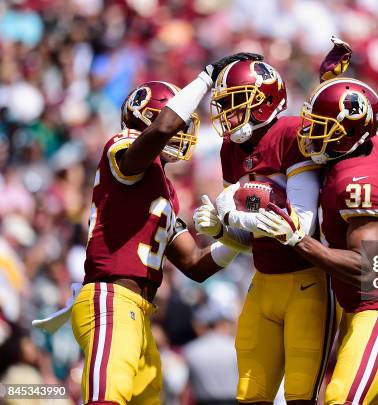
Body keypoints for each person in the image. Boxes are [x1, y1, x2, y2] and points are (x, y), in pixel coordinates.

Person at [70, 52, 259, 405]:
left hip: (139, 313)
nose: (184, 130)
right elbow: (163, 128)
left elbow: (195, 265)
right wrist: (205, 77)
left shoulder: (165, 190)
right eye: (179, 121)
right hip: (111, 301)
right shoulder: (122, 145)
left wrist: (234, 239)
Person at [192, 37, 352, 405]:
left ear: (263, 102)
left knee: (300, 396)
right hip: (263, 282)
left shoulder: (291, 134)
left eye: (235, 105)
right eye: (224, 106)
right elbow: (246, 236)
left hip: (307, 284)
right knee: (249, 395)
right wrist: (222, 231)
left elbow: (303, 224)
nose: (228, 116)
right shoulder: (231, 149)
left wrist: (236, 215)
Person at [254, 77, 378, 405]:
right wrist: (330, 79)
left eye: (321, 127)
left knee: (340, 398)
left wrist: (302, 241)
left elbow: (368, 266)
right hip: (355, 308)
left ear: (350, 135)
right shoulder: (367, 143)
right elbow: (353, 112)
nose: (309, 133)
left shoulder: (359, 183)